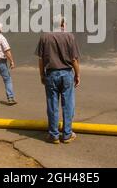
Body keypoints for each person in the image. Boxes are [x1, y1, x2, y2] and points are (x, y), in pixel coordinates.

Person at [35, 15, 81, 144]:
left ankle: (53, 135)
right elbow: (74, 59)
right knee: (68, 105)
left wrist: (42, 75)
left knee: (52, 104)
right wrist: (77, 75)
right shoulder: (70, 36)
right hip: (67, 74)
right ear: (62, 24)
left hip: (51, 74)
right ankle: (67, 135)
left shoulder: (45, 37)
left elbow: (41, 59)